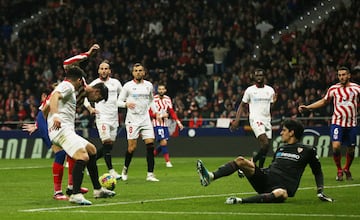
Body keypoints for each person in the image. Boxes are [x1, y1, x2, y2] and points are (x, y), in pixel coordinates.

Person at [22, 44, 100, 200]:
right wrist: (88, 54)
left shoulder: (79, 86)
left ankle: (72, 187)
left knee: (73, 151)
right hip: (46, 118)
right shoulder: (69, 84)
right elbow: (67, 63)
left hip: (56, 119)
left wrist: (90, 108)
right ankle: (58, 192)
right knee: (62, 153)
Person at [197, 119, 334, 204]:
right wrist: (256, 169)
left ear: (292, 132)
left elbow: (317, 171)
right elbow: (273, 167)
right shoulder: (281, 148)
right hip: (266, 179)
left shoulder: (308, 150)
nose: (281, 133)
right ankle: (210, 177)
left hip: (281, 188)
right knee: (241, 160)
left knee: (282, 194)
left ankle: (240, 201)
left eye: (284, 130)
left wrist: (320, 191)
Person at [48, 66, 115, 205]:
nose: (96, 101)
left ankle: (97, 189)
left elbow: (46, 105)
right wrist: (55, 116)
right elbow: (54, 96)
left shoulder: (73, 89)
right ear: (78, 80)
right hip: (60, 130)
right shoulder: (67, 86)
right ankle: (75, 194)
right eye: (98, 98)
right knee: (82, 157)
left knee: (92, 150)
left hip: (65, 129)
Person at [298, 66, 360, 181]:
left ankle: (347, 169)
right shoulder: (333, 89)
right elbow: (324, 101)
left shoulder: (357, 89)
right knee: (336, 147)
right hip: (337, 122)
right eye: (340, 75)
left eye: (344, 74)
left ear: (349, 75)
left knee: (351, 149)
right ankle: (339, 170)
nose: (342, 77)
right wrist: (308, 107)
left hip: (352, 124)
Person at [117, 63, 160, 182]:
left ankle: (150, 174)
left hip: (145, 118)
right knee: (132, 148)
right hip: (132, 120)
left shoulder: (149, 86)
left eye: (140, 70)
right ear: (133, 73)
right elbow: (118, 102)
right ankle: (125, 169)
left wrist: (156, 112)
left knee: (150, 144)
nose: (138, 72)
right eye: (136, 70)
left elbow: (151, 100)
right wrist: (126, 104)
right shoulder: (128, 86)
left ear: (144, 72)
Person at [84, 60, 122, 180]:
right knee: (106, 143)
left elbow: (122, 96)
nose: (104, 71)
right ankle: (111, 171)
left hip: (114, 118)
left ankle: (88, 163)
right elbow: (85, 98)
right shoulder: (94, 84)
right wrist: (90, 108)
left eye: (106, 69)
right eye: (102, 68)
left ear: (109, 71)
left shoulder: (116, 83)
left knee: (109, 146)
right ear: (98, 71)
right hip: (102, 117)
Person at [230, 68, 276, 168]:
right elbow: (242, 105)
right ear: (254, 77)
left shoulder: (270, 90)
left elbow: (271, 107)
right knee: (265, 143)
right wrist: (236, 120)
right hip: (255, 119)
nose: (259, 77)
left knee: (265, 148)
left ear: (264, 77)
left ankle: (260, 168)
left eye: (261, 75)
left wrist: (274, 103)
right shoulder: (250, 90)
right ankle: (251, 162)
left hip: (267, 120)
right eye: (257, 75)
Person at [149, 84, 184, 168]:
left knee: (164, 142)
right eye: (159, 89)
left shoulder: (168, 99)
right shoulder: (153, 99)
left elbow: (171, 111)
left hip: (165, 124)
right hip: (156, 123)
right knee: (163, 142)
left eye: (162, 89)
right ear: (157, 90)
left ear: (165, 90)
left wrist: (178, 122)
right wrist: (159, 116)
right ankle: (168, 162)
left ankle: (151, 156)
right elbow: (149, 112)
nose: (161, 91)